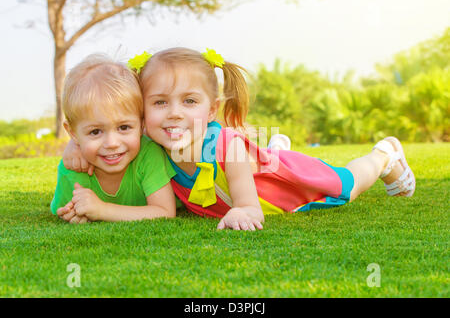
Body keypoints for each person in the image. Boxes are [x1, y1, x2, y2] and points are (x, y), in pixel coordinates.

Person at [63, 48, 416, 231]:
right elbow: (111, 127)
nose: (173, 114)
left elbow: (249, 206)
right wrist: (75, 146)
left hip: (281, 186)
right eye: (159, 103)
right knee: (265, 155)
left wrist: (242, 212)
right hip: (253, 167)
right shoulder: (151, 141)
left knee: (347, 185)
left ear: (212, 109)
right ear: (143, 114)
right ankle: (274, 149)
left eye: (189, 102)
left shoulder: (226, 146)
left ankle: (384, 154)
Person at [51, 54, 176, 224]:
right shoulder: (72, 169)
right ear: (73, 134)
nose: (112, 143)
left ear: (141, 125)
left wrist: (102, 210)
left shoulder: (149, 154)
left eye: (124, 127)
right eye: (95, 132)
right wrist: (74, 212)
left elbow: (165, 212)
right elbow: (63, 210)